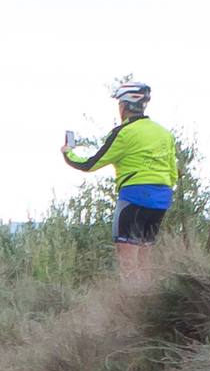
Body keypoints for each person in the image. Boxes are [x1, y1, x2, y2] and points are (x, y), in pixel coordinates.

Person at [63, 81, 178, 287]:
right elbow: (173, 172)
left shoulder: (123, 133)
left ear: (124, 106)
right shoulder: (164, 133)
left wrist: (67, 153)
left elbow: (90, 164)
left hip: (134, 194)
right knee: (145, 256)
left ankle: (131, 307)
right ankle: (150, 302)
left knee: (127, 257)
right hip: (162, 198)